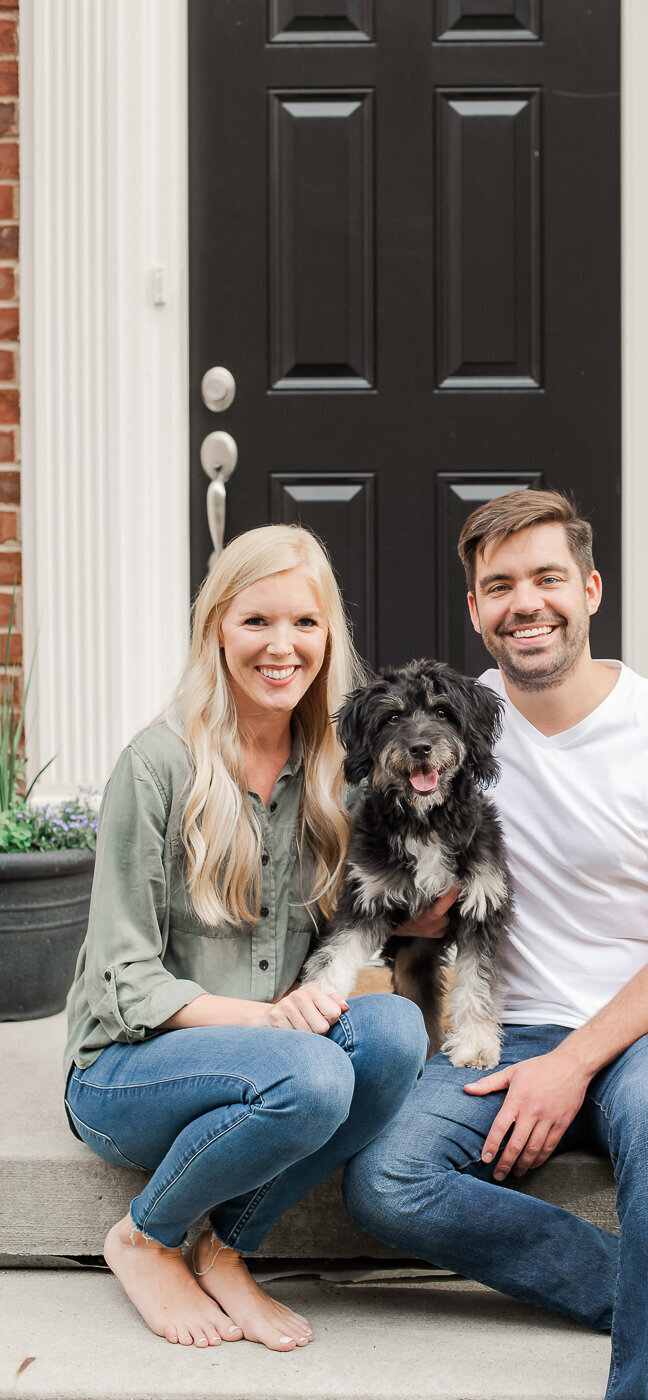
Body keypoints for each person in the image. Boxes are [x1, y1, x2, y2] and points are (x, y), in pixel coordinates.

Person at [342, 490, 648, 1399]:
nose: (526, 603)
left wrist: (573, 1062)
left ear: (589, 589)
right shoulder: (448, 728)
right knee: (385, 1178)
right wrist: (405, 922)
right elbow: (380, 856)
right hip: (508, 1032)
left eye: (547, 578)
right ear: (476, 610)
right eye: (499, 585)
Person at [63, 525, 428, 1352]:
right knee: (313, 1075)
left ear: (328, 635)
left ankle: (224, 1246)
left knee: (395, 1035)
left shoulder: (335, 769)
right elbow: (122, 980)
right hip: (127, 1073)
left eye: (304, 622)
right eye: (256, 620)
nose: (281, 646)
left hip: (271, 1065)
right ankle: (146, 1236)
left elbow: (357, 924)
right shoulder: (157, 765)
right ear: (216, 630)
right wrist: (265, 1019)